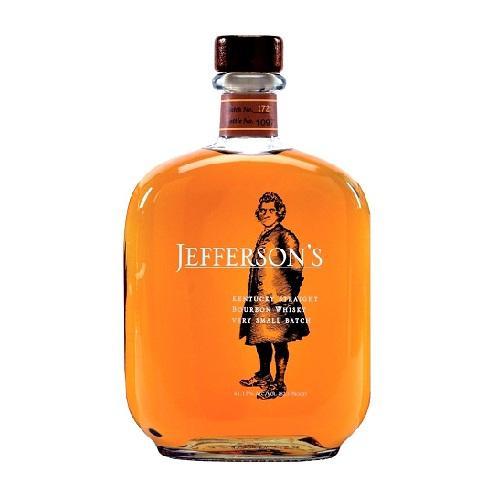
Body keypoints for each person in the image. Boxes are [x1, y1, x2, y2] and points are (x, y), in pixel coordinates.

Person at [239, 192, 310, 400]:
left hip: (279, 300)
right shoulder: (264, 235)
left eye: (271, 210)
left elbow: (296, 268)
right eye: (262, 210)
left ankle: (279, 384)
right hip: (259, 300)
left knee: (279, 342)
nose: (266, 214)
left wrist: (288, 296)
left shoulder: (286, 236)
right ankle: (264, 375)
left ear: (279, 212)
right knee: (260, 339)